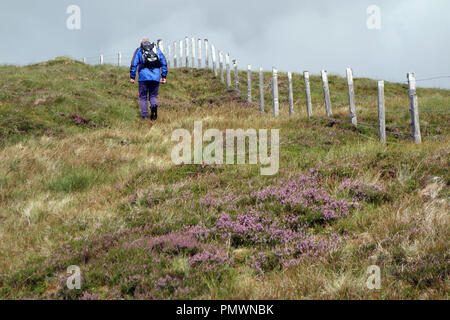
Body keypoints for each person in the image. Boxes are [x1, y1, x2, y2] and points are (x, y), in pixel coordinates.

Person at [130, 38, 168, 120]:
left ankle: (144, 116)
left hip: (143, 78)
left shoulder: (139, 50)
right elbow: (164, 63)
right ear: (149, 42)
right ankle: (154, 109)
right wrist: (163, 76)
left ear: (141, 43)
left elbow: (134, 64)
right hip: (155, 77)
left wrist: (132, 77)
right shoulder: (156, 50)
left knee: (143, 97)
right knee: (153, 96)